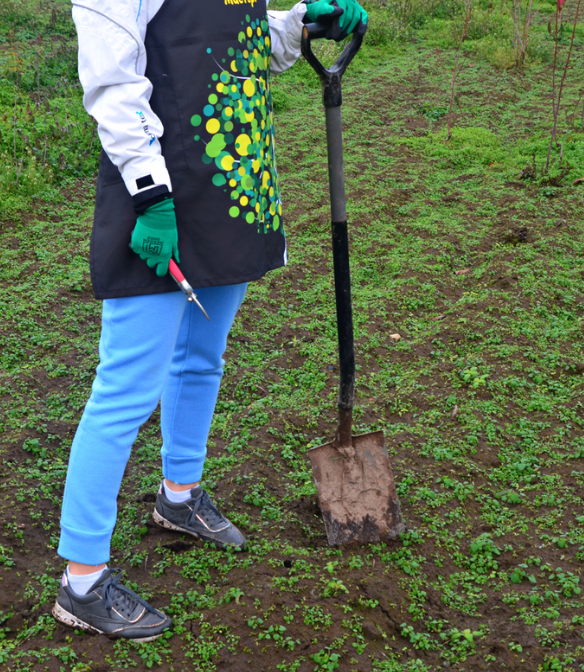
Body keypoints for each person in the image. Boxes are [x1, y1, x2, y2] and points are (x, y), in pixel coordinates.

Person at [53, 0, 368, 641]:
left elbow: (239, 49)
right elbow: (112, 80)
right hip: (161, 196)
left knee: (202, 354)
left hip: (232, 186)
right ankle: (80, 581)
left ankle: (179, 496)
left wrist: (300, 25)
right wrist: (150, 194)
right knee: (124, 392)